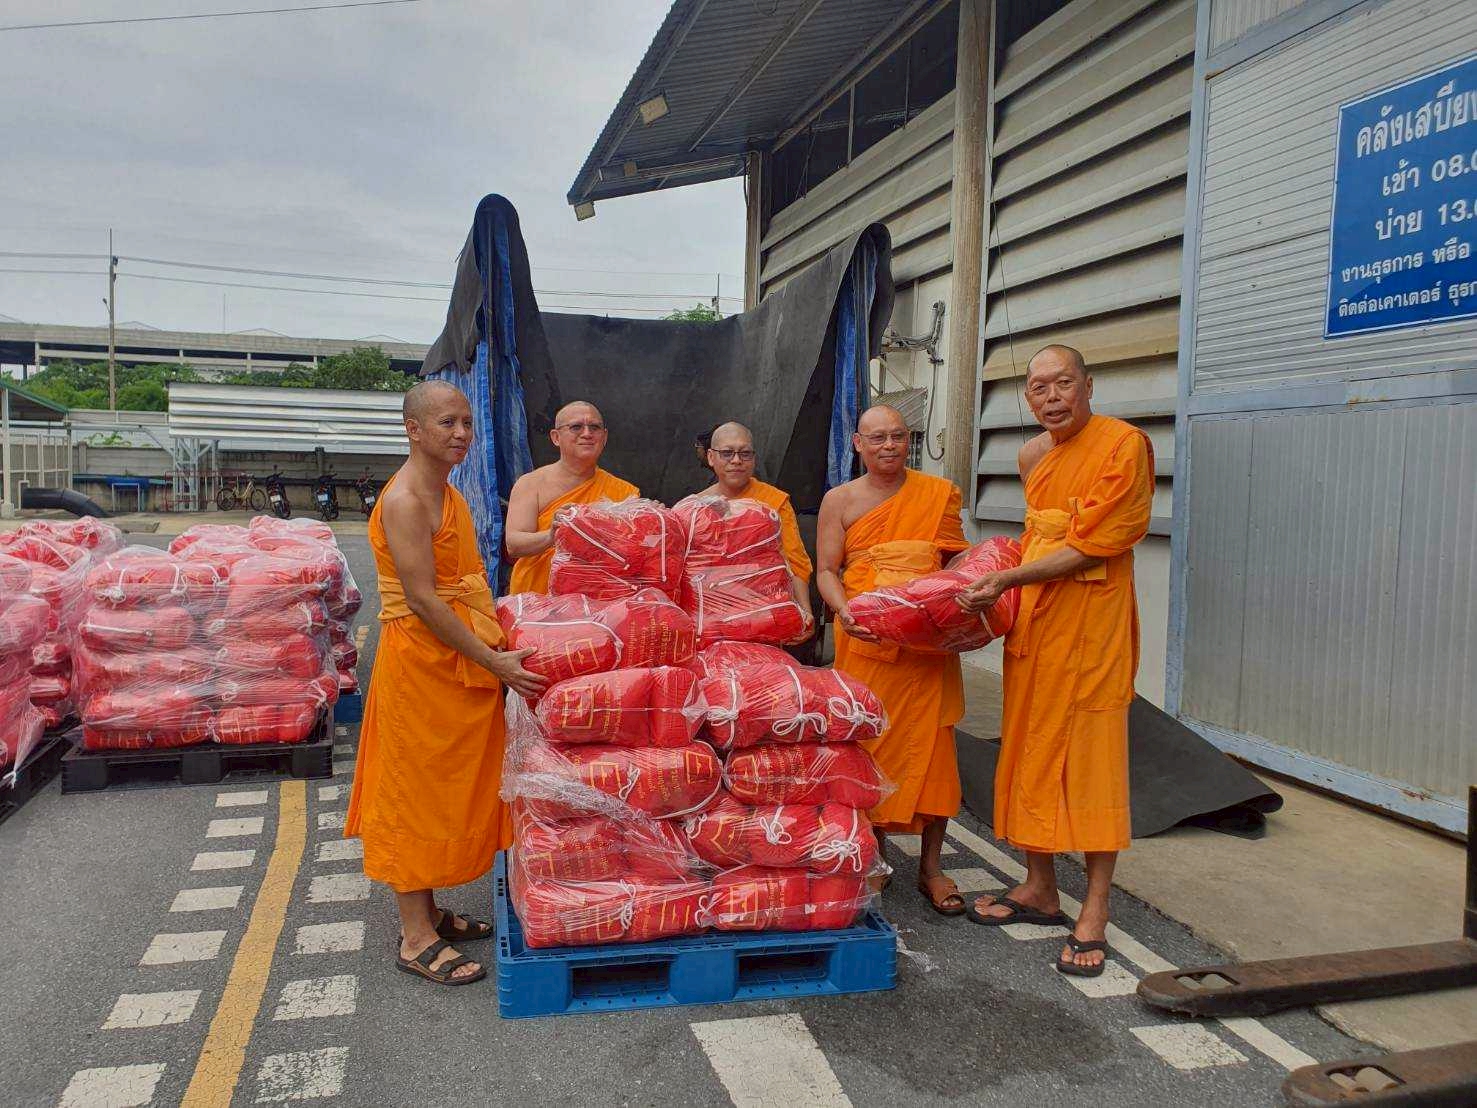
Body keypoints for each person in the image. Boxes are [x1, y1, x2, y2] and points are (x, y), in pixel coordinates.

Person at [957, 344, 1153, 977]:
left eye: (1062, 383)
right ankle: (1039, 886)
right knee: (1030, 749)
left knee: (1094, 761)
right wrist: (983, 571)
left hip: (1092, 627)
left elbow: (1094, 544)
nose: (1050, 396)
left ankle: (1095, 907)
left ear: (1087, 385)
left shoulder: (1124, 446)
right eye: (1037, 387)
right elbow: (1040, 533)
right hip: (1037, 624)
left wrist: (1007, 578)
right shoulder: (1032, 455)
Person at [346, 380, 546, 986]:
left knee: (447, 785)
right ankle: (414, 938)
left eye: (466, 423)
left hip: (456, 657)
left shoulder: (444, 489)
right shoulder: (407, 499)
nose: (461, 434)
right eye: (446, 424)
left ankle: (429, 912)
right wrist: (495, 663)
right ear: (413, 429)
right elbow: (425, 602)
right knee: (414, 789)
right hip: (421, 663)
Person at [815, 405, 970, 916]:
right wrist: (843, 611)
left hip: (926, 646)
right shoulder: (840, 500)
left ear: (910, 441)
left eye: (898, 437)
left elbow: (956, 566)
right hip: (866, 641)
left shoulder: (939, 494)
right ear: (857, 443)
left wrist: (959, 610)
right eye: (877, 438)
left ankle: (931, 867)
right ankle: (873, 858)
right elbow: (827, 571)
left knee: (935, 753)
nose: (888, 446)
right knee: (868, 750)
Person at [504, 400, 638, 594]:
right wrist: (553, 536)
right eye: (576, 427)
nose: (587, 434)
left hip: (596, 602)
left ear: (605, 436)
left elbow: (632, 552)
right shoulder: (530, 484)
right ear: (556, 437)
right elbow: (514, 544)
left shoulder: (625, 493)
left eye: (595, 427)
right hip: (536, 603)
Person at [698, 421, 813, 627]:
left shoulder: (774, 501)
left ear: (754, 459)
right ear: (710, 457)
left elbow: (796, 564)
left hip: (764, 611)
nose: (736, 460)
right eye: (726, 453)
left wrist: (804, 611)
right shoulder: (694, 508)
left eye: (745, 454)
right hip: (710, 617)